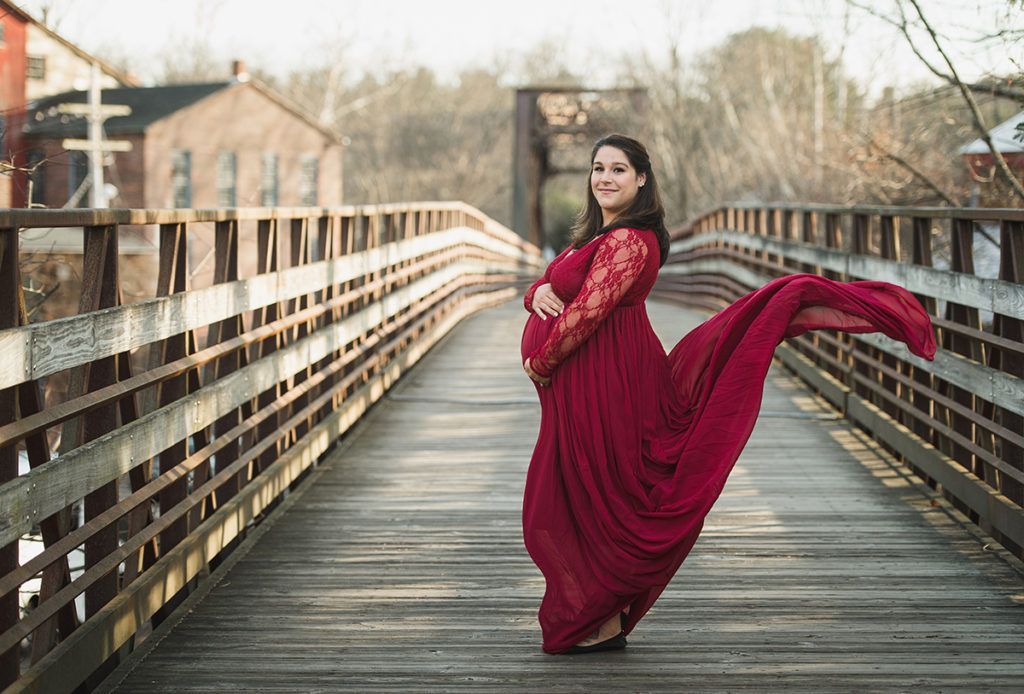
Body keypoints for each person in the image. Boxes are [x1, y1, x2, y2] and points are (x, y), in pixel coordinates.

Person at [519, 133, 937, 655]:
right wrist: (536, 292)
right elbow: (550, 284)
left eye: (618, 170)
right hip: (587, 381)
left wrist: (543, 358)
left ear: (642, 178)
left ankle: (601, 616)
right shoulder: (595, 234)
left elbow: (587, 313)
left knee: (605, 493)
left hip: (609, 377)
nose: (605, 177)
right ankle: (600, 615)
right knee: (581, 492)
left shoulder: (629, 240)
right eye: (597, 167)